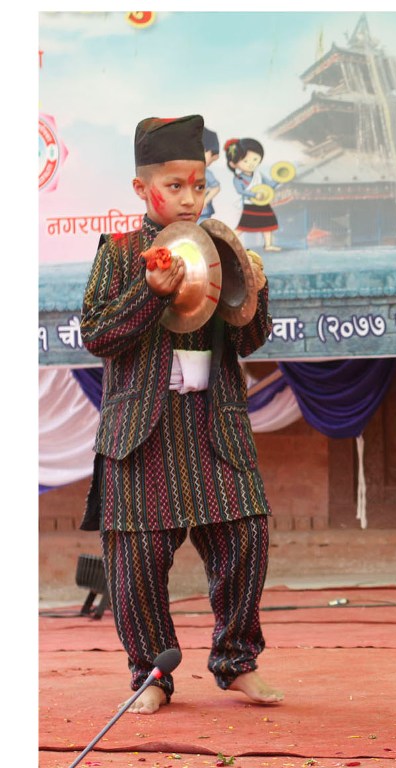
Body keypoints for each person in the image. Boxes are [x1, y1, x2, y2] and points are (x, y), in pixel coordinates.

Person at [80, 114, 283, 715]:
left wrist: (255, 291)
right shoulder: (119, 254)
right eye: (175, 186)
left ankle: (237, 662)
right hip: (142, 431)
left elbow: (249, 340)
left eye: (199, 185)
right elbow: (97, 334)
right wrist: (151, 291)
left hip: (213, 425)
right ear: (142, 189)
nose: (190, 198)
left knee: (246, 537)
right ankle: (151, 674)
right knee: (136, 561)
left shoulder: (220, 248)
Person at [225, 136, 281, 252]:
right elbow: (240, 191)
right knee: (243, 226)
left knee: (268, 224)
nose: (251, 164)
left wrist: (279, 179)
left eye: (255, 159)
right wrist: (254, 195)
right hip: (250, 205)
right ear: (233, 164)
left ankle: (268, 245)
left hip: (263, 203)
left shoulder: (259, 174)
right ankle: (226, 241)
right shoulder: (238, 179)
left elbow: (269, 185)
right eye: (245, 161)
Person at [197, 127, 221, 224]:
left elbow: (216, 187)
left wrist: (205, 201)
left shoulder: (206, 173)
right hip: (184, 211)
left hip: (202, 211)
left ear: (214, 156)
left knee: (201, 229)